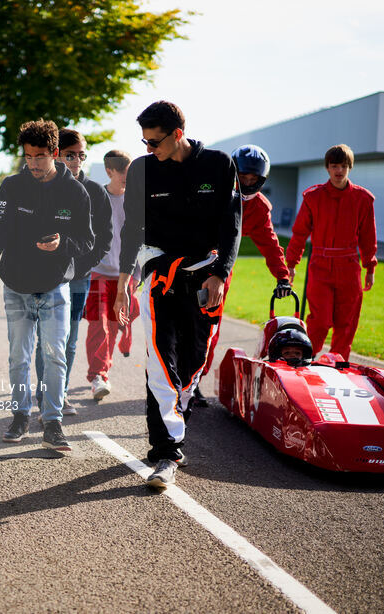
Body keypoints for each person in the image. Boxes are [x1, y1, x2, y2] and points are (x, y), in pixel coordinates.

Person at [114, 101, 241, 488]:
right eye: (143, 141)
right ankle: (166, 452)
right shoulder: (142, 169)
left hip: (204, 276)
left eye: (154, 142)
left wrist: (220, 274)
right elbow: (132, 226)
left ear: (177, 134)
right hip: (159, 276)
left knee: (193, 361)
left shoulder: (219, 165)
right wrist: (124, 280)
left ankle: (174, 426)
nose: (148, 149)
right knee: (159, 359)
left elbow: (231, 224)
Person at [0, 119, 94, 452]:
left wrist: (62, 244)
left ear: (54, 153)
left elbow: (87, 241)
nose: (34, 164)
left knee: (55, 356)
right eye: (28, 156)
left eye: (40, 156)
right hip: (17, 286)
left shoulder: (76, 192)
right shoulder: (11, 187)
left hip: (55, 288)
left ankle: (52, 422)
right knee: (18, 357)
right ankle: (20, 415)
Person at [193, 144, 292, 406]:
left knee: (209, 330)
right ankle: (165, 379)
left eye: (254, 179)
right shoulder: (212, 189)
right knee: (177, 325)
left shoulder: (258, 208)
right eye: (243, 176)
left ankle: (193, 382)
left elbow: (270, 244)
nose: (248, 182)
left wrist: (283, 277)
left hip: (221, 272)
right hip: (188, 263)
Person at [33, 128, 111, 415]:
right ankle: (45, 396)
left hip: (78, 277)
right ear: (56, 155)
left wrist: (83, 265)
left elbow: (104, 237)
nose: (77, 160)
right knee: (47, 339)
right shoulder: (40, 188)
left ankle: (60, 394)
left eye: (81, 155)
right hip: (44, 276)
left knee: (70, 338)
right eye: (70, 155)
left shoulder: (95, 191)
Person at [286, 144, 376, 361]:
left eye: (344, 166)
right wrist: (291, 264)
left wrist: (369, 267)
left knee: (347, 322)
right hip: (321, 266)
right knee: (321, 320)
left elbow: (368, 236)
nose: (339, 171)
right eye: (335, 166)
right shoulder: (313, 197)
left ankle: (339, 364)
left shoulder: (363, 199)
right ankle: (306, 359)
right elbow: (299, 234)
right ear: (327, 168)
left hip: (349, 266)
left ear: (350, 168)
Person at [83, 149, 138, 401]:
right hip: (97, 274)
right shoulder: (96, 198)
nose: (128, 178)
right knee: (99, 326)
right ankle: (98, 376)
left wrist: (136, 275)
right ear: (109, 171)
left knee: (117, 325)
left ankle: (107, 363)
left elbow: (140, 240)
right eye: (124, 174)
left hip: (126, 276)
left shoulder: (135, 201)